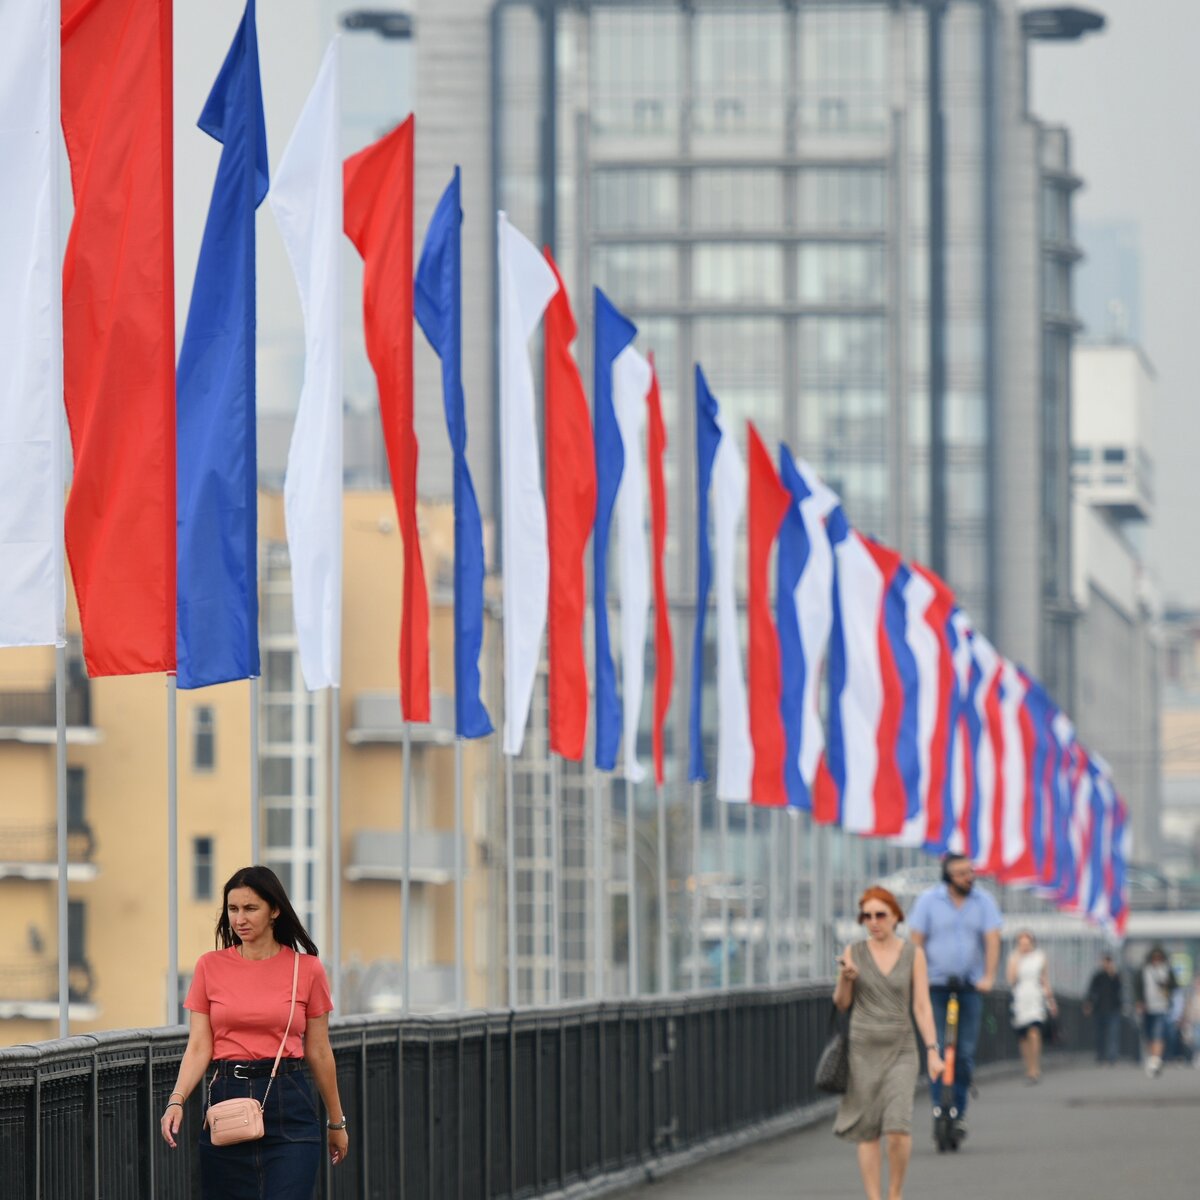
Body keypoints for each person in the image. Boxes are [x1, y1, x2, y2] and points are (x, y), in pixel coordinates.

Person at [159, 865, 349, 1197]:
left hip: (289, 1102)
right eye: (233, 909)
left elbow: (319, 1050)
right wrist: (176, 1100)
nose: (239, 919)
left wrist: (336, 1121)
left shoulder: (306, 970)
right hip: (227, 1100)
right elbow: (199, 1046)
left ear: (274, 910)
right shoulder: (209, 967)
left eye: (250, 908)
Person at [833, 886, 943, 1200]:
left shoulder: (913, 954)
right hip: (863, 1048)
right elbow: (841, 1003)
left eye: (880, 914)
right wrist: (845, 978)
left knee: (897, 1126)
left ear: (896, 916)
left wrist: (933, 1052)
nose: (873, 921)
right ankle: (874, 1197)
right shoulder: (854, 951)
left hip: (902, 1048)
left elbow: (921, 1006)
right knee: (867, 1130)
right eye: (866, 916)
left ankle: (895, 1192)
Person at [908, 854, 1002, 1143]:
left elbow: (992, 939)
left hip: (970, 987)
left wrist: (988, 976)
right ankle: (939, 1107)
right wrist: (916, 977)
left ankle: (958, 1112)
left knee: (963, 1054)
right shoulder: (928, 901)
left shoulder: (984, 902)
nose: (968, 877)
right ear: (948, 877)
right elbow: (915, 941)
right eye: (961, 873)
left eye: (970, 872)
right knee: (935, 1049)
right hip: (934, 986)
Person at [1005, 930, 1055, 1084]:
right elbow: (1011, 980)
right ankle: (1028, 1066)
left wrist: (1050, 999)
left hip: (1035, 997)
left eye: (1027, 943)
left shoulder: (1040, 957)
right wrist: (1018, 959)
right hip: (1020, 998)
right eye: (1021, 943)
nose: (1024, 946)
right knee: (1023, 1037)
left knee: (1034, 1031)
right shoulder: (1014, 957)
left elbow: (1045, 978)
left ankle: (1035, 1067)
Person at [1134, 945, 1176, 1078]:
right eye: (1154, 958)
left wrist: (1167, 985)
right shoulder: (1144, 970)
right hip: (1147, 1007)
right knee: (1148, 1034)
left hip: (1161, 1007)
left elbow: (1175, 985)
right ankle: (1152, 1057)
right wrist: (1139, 1002)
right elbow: (1137, 987)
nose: (1157, 960)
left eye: (1159, 958)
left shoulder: (1167, 970)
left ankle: (1156, 1060)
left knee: (1158, 1033)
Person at [1083, 953, 1124, 1065]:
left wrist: (1113, 975)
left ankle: (1112, 1057)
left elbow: (1121, 990)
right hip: (1099, 1009)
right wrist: (1088, 1004)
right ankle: (1100, 1056)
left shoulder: (1116, 976)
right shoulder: (1098, 976)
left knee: (1113, 1035)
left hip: (1113, 1009)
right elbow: (1091, 990)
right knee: (1099, 1035)